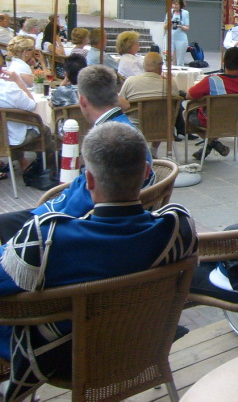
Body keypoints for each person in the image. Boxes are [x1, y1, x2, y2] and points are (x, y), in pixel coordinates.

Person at [0, 122, 197, 401]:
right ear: (146, 173)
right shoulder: (177, 229)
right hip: (140, 346)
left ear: (89, 180)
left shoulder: (45, 241)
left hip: (63, 357)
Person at [0, 65, 156, 244]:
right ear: (116, 96)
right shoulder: (123, 128)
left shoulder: (110, 138)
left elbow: (83, 202)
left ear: (82, 100)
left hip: (76, 225)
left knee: (5, 225)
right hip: (88, 216)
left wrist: (41, 216)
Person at [187, 46, 238, 160]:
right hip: (234, 120)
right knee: (218, 117)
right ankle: (211, 144)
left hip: (211, 121)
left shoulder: (212, 80)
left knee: (188, 114)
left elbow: (190, 95)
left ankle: (211, 143)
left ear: (224, 62)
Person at [118, 51, 193, 147]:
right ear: (161, 66)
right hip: (162, 127)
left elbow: (120, 104)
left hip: (135, 126)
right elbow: (175, 101)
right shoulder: (170, 84)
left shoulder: (130, 81)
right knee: (160, 111)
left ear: (144, 65)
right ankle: (154, 150)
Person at [0, 67, 55, 174]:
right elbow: (32, 105)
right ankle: (48, 164)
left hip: (3, 137)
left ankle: (23, 163)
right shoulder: (9, 89)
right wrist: (18, 81)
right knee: (44, 130)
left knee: (11, 129)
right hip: (14, 137)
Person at [165, 0, 190, 67]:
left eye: (176, 4)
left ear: (180, 5)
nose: (174, 6)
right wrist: (169, 23)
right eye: (173, 4)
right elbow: (165, 26)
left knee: (180, 61)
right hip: (170, 39)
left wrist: (180, 26)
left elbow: (187, 28)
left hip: (181, 39)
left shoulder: (185, 13)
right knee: (167, 58)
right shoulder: (170, 12)